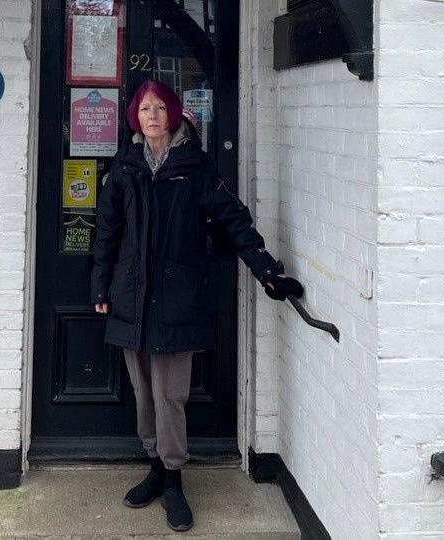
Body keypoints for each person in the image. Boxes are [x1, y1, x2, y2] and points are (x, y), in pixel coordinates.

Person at [90, 80, 303, 533]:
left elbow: (233, 218)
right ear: (135, 116)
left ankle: (173, 479)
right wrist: (100, 286)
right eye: (144, 109)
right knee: (143, 391)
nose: (151, 116)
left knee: (171, 394)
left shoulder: (195, 167)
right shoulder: (125, 166)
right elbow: (106, 230)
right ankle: (154, 467)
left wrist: (267, 269)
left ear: (173, 114)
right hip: (130, 296)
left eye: (159, 108)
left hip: (177, 297)